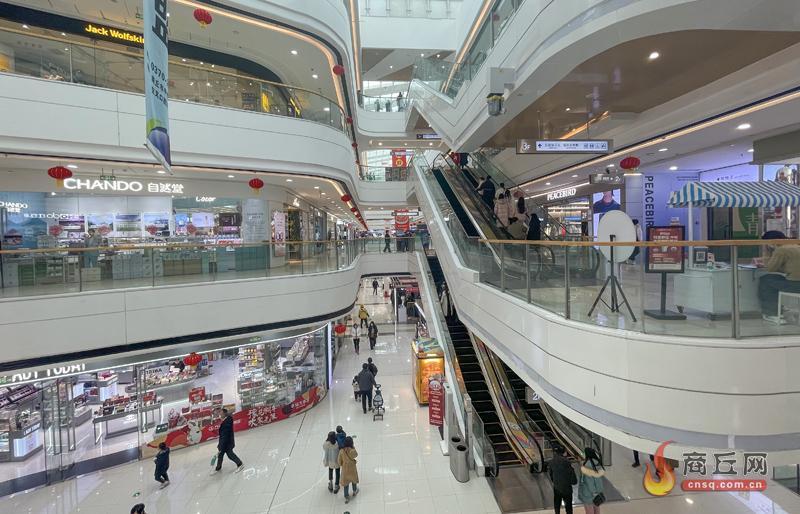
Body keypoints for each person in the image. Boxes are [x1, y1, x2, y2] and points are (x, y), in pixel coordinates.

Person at [758, 230, 800, 323]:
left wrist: (767, 252)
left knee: (766, 280)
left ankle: (771, 313)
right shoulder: (796, 245)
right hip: (797, 282)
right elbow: (791, 267)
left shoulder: (781, 250)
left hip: (796, 285)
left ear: (771, 242)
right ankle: (779, 306)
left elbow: (770, 268)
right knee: (776, 279)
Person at [213, 408, 243, 474]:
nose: (219, 414)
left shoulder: (227, 421)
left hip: (227, 442)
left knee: (230, 454)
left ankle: (240, 464)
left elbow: (225, 435)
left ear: (224, 413)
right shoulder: (226, 420)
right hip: (223, 442)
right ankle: (218, 468)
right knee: (220, 455)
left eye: (220, 412)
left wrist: (221, 445)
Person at [548, 446, 577, 514]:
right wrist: (573, 481)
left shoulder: (551, 461)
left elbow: (551, 474)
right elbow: (571, 473)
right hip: (567, 488)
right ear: (563, 452)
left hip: (557, 487)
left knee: (557, 504)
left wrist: (555, 482)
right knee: (568, 506)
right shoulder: (567, 461)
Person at [578, 448, 605, 514]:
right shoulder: (598, 463)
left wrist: (593, 492)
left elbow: (588, 482)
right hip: (598, 492)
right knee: (596, 507)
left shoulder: (585, 467)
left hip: (588, 493)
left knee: (589, 510)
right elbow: (597, 480)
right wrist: (597, 492)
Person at [338, 436, 359, 504]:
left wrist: (343, 464)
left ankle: (346, 496)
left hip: (345, 469)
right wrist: (353, 447)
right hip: (352, 468)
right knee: (353, 480)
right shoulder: (352, 451)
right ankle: (354, 491)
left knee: (346, 483)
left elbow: (339, 462)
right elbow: (356, 455)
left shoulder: (341, 451)